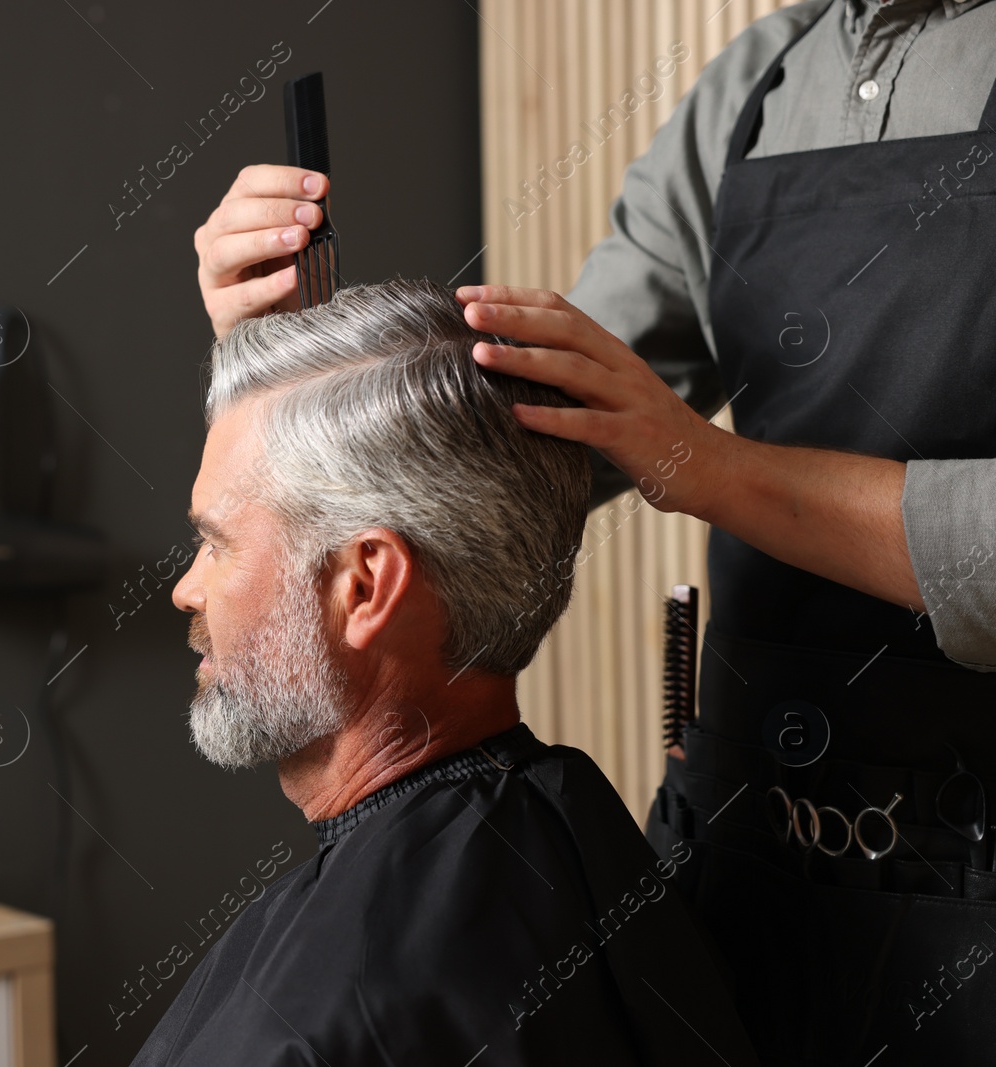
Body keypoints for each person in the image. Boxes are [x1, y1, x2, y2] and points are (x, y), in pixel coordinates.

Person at [192, 2, 996, 1062]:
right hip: (755, 853)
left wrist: (708, 467)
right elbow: (543, 423)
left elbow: (660, 442)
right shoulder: (761, 80)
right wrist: (289, 382)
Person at [132, 278, 758, 1067]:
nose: (186, 587)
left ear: (362, 585)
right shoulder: (571, 826)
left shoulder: (315, 1028)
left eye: (216, 542)